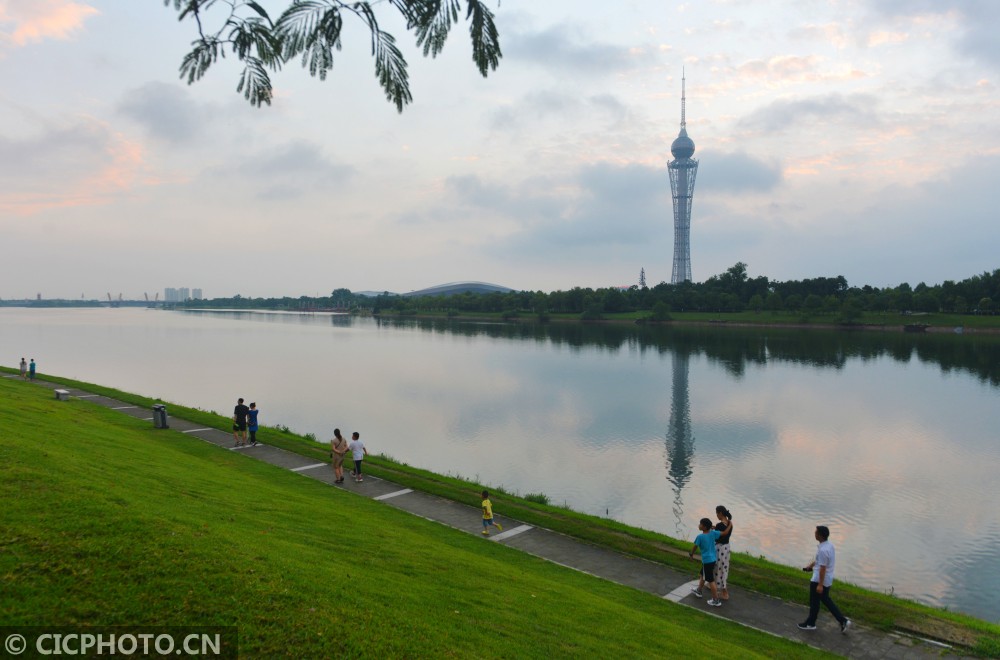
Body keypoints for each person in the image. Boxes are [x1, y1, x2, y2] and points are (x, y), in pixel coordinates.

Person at [798, 525, 852, 633]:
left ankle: (810, 624)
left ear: (820, 535)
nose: (814, 534)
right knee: (825, 601)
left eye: (816, 532)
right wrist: (810, 567)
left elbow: (823, 568)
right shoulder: (829, 546)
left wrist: (820, 585)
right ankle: (842, 621)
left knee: (814, 602)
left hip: (819, 580)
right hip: (827, 579)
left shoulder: (823, 550)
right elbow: (820, 561)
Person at [689, 515, 732, 607]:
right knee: (702, 574)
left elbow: (694, 547)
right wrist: (730, 525)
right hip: (713, 559)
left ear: (704, 527)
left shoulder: (700, 537)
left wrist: (691, 554)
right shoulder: (713, 533)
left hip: (707, 561)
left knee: (711, 580)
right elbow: (724, 533)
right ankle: (699, 590)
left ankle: (716, 600)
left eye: (700, 524)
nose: (699, 525)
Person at [714, 505, 734, 601]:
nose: (716, 515)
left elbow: (717, 535)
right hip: (726, 548)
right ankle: (723, 589)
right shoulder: (730, 523)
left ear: (720, 513)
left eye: (717, 513)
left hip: (719, 549)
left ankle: (720, 590)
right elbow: (724, 532)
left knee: (717, 568)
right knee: (724, 568)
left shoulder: (719, 525)